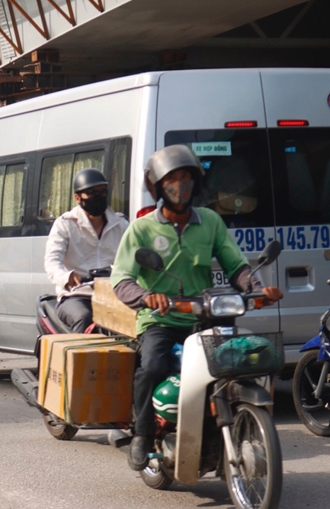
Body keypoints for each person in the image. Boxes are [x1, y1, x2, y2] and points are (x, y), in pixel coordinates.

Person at [110, 146, 282, 470]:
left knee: (241, 362)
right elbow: (121, 279)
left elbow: (236, 266)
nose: (181, 184)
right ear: (159, 186)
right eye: (173, 178)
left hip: (206, 315)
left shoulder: (211, 222)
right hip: (162, 319)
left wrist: (257, 289)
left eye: (187, 176)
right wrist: (147, 297)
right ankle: (143, 434)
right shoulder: (143, 229)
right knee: (152, 368)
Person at [44, 168, 129, 332]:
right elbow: (52, 262)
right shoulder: (65, 224)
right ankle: (79, 357)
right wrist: (67, 277)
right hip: (75, 296)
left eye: (102, 191)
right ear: (78, 197)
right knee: (84, 317)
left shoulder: (121, 224)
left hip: (112, 294)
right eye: (91, 192)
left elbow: (133, 258)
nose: (98, 196)